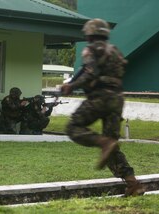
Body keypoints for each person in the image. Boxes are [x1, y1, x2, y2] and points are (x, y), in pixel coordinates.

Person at [61, 18, 145, 196]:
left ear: (89, 34)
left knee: (73, 127)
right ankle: (133, 184)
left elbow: (90, 73)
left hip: (100, 97)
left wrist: (71, 86)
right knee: (112, 147)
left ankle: (103, 142)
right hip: (117, 99)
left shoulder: (91, 50)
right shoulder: (115, 51)